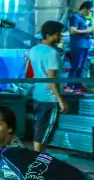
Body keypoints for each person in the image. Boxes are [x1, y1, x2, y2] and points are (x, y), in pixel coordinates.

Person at [28, 20, 68, 153]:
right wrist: (60, 100)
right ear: (49, 35)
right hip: (49, 98)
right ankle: (37, 158)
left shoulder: (34, 50)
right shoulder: (52, 53)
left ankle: (38, 156)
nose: (60, 37)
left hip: (37, 94)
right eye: (58, 34)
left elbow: (30, 73)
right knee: (45, 131)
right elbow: (52, 80)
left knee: (40, 127)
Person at [67, 1, 93, 87]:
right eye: (90, 10)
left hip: (85, 45)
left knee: (81, 67)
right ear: (85, 8)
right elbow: (72, 31)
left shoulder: (85, 19)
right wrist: (87, 31)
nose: (90, 13)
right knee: (76, 65)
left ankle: (78, 86)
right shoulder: (75, 17)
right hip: (78, 45)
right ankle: (70, 85)